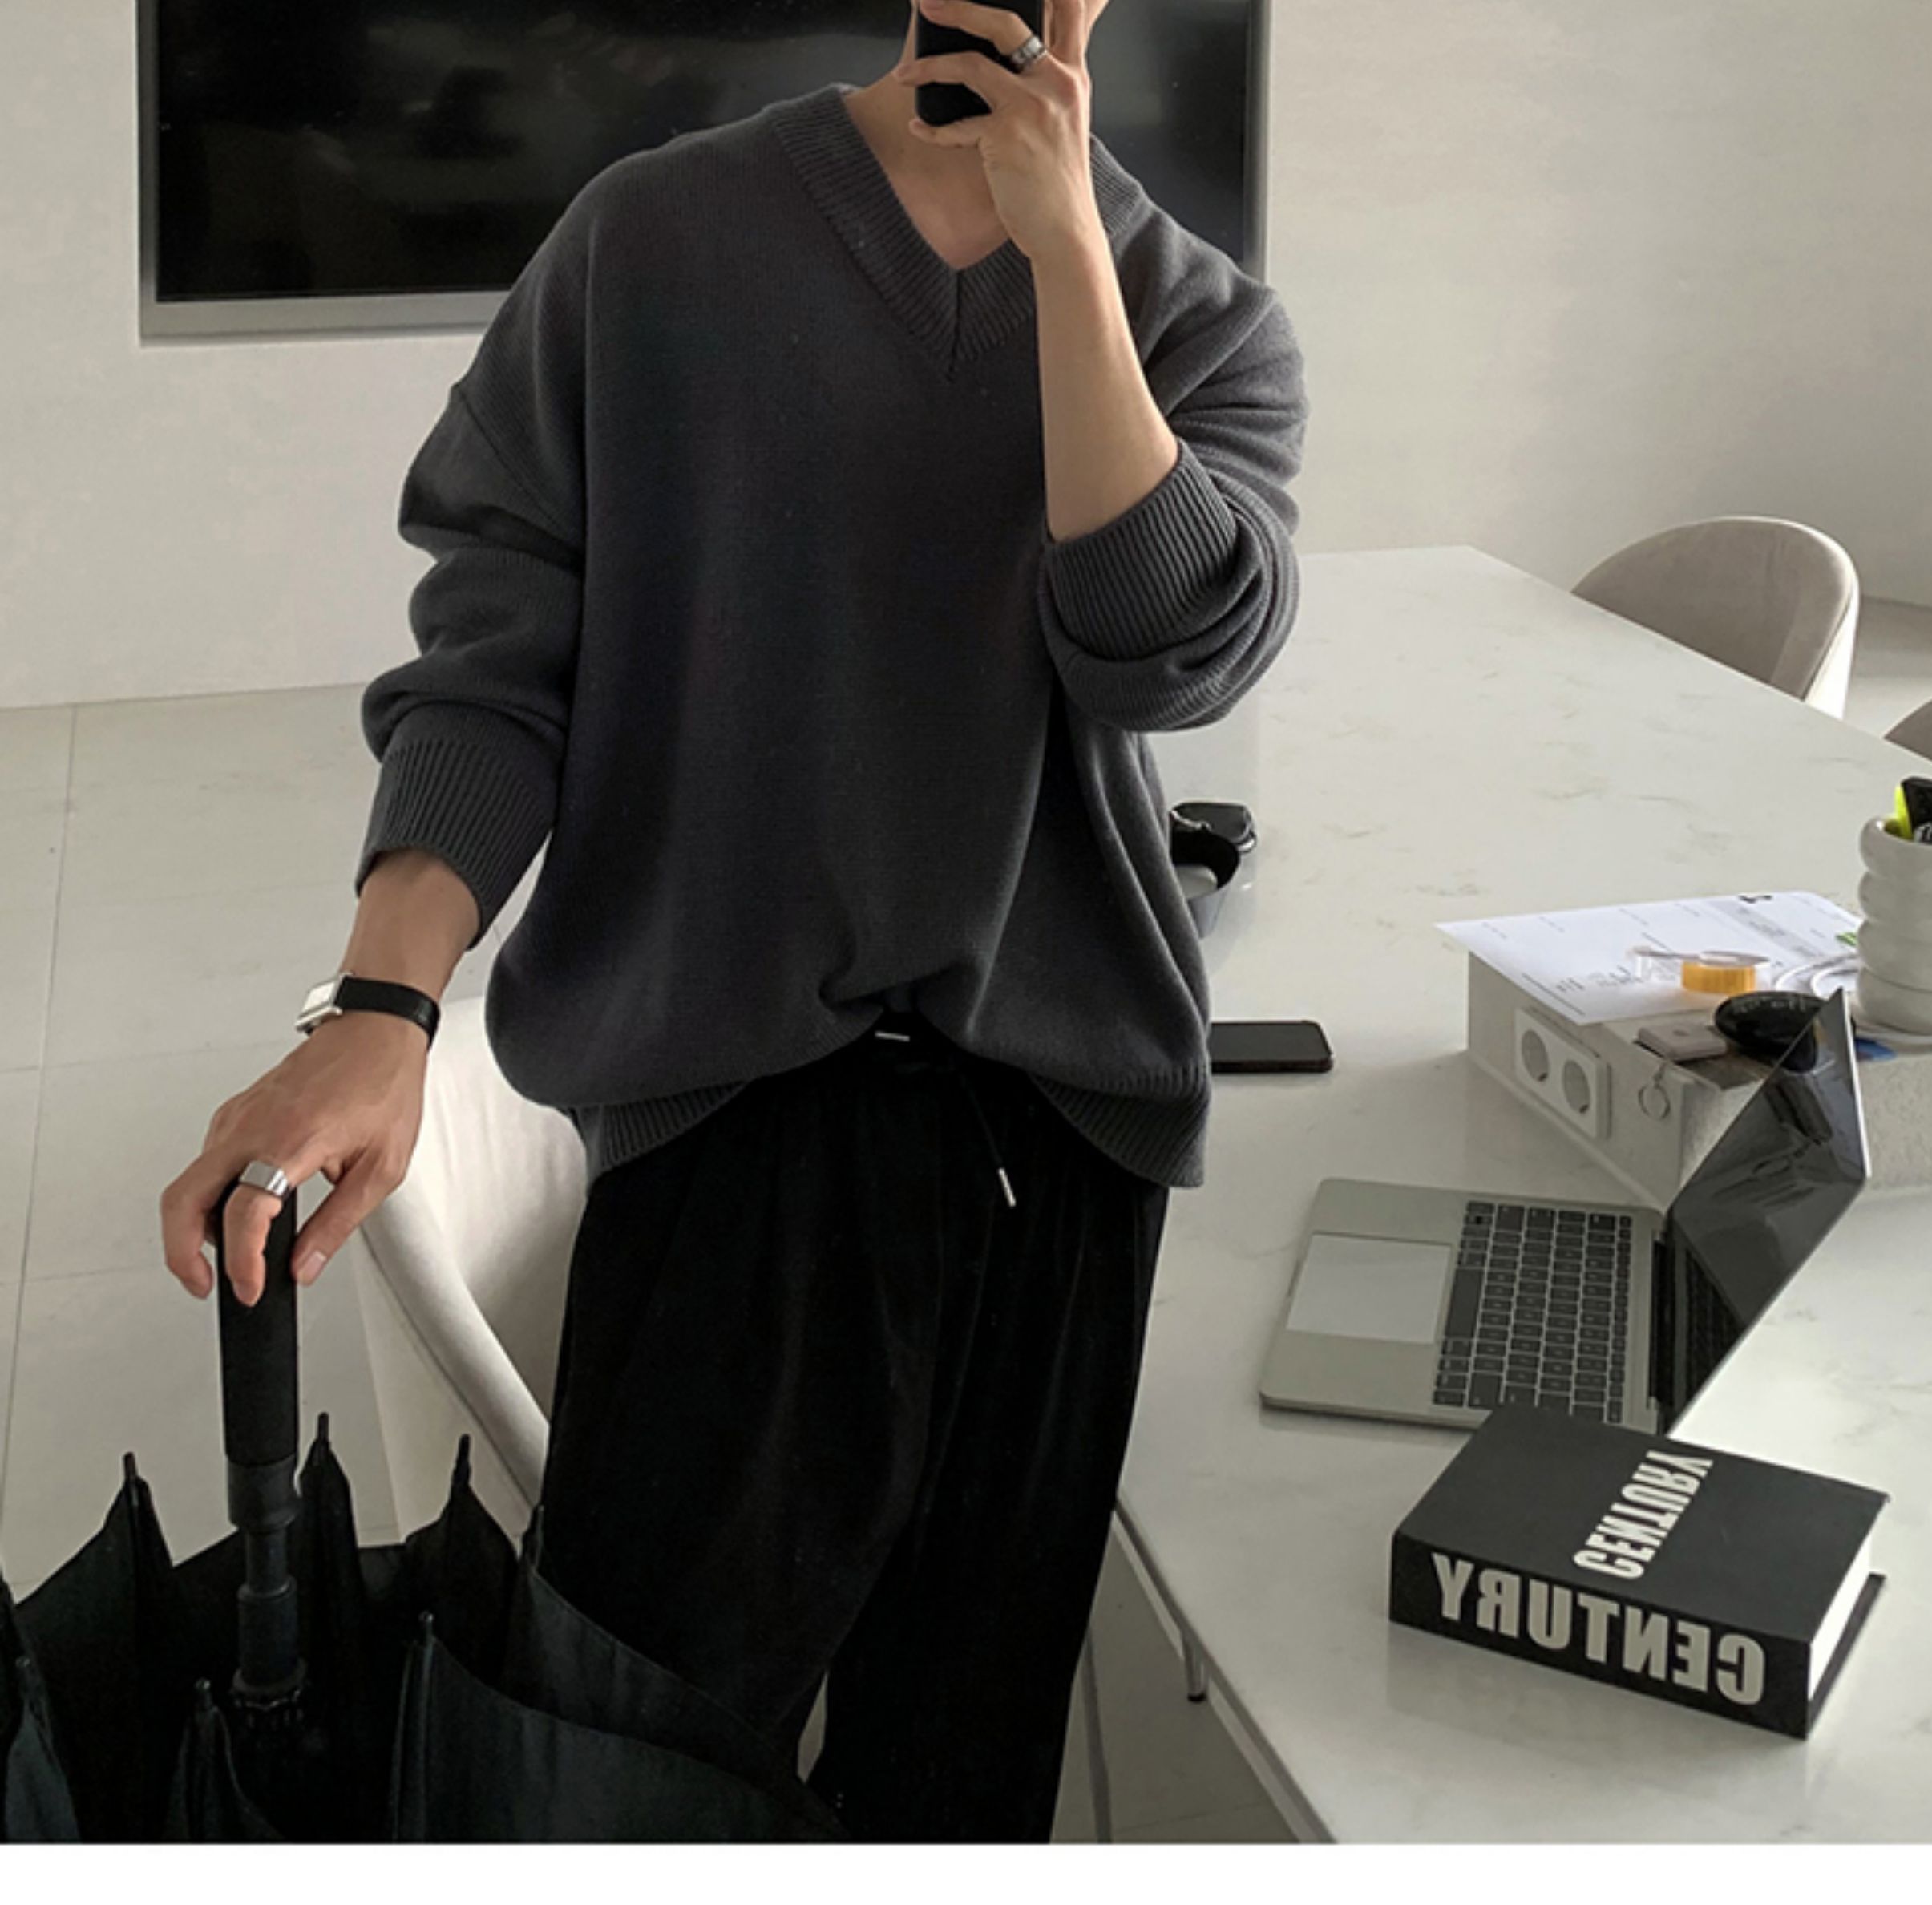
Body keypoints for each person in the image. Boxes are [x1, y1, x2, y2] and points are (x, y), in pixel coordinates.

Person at [160, 0, 1308, 1842]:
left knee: (960, 1784)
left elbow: (1161, 650)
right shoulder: (653, 243)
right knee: (628, 1785)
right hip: (735, 1127)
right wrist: (383, 1003)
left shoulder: (1196, 321)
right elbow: (497, 660)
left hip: (1057, 1146)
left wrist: (1067, 256)